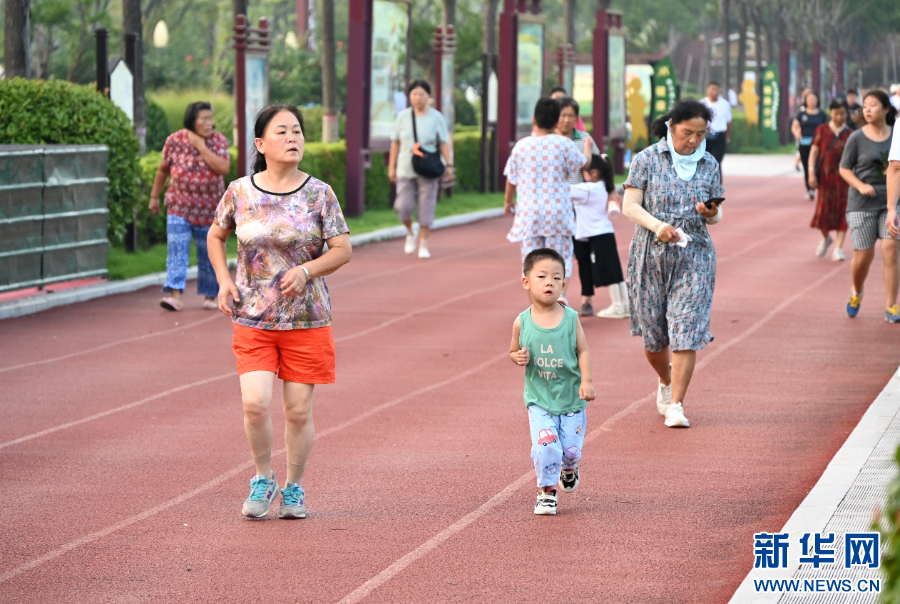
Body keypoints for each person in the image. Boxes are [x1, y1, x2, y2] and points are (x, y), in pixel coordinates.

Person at [207, 103, 352, 519]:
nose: (293, 138)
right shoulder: (240, 191)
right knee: (254, 404)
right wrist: (223, 280)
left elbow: (342, 249)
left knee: (298, 410)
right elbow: (217, 236)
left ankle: (294, 487)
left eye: (298, 132)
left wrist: (307, 271)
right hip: (253, 316)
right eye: (283, 132)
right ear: (261, 143)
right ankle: (262, 477)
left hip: (307, 319)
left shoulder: (319, 193)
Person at [622, 99, 724, 429]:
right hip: (650, 256)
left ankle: (677, 404)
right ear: (671, 127)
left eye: (700, 133)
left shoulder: (709, 163)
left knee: (686, 329)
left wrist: (712, 213)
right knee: (654, 339)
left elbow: (717, 214)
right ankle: (665, 381)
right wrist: (657, 226)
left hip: (694, 256)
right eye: (686, 133)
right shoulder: (646, 159)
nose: (693, 140)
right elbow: (629, 205)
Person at [509, 248, 595, 516]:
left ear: (564, 285)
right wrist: (518, 356)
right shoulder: (521, 322)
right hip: (539, 399)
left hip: (571, 398)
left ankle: (569, 468)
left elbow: (583, 350)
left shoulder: (570, 319)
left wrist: (587, 381)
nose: (549, 283)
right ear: (526, 282)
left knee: (569, 451)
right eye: (542, 276)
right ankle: (546, 492)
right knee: (546, 448)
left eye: (556, 278)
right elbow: (513, 350)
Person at [504, 97, 592, 300]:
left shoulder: (521, 146)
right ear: (556, 122)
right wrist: (587, 149)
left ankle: (536, 307)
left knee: (531, 261)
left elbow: (511, 178)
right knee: (561, 258)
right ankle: (558, 297)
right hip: (558, 213)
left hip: (529, 213)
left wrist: (508, 201)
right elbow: (583, 164)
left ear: (534, 120)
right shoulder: (564, 144)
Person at [149, 101, 231, 311]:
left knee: (208, 253)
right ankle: (174, 295)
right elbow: (162, 170)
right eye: (204, 118)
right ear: (192, 119)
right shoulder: (174, 140)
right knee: (177, 250)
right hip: (179, 206)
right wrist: (154, 197)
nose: (209, 123)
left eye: (210, 118)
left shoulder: (218, 141)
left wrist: (201, 146)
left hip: (209, 209)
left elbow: (223, 168)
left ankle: (211, 296)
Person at [839, 90, 900, 322]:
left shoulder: (897, 134)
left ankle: (891, 305)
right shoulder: (856, 138)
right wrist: (860, 185)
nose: (867, 109)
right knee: (863, 257)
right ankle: (857, 291)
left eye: (873, 105)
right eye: (865, 105)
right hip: (861, 203)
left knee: (891, 250)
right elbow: (844, 168)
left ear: (886, 109)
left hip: (891, 202)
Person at [388, 80, 453, 259]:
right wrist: (391, 167)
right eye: (414, 94)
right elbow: (395, 143)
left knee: (426, 206)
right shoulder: (402, 117)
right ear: (409, 96)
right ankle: (410, 231)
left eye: (421, 94)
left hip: (429, 169)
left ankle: (423, 244)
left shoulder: (436, 117)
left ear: (428, 96)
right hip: (405, 168)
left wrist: (449, 165)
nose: (418, 98)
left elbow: (443, 143)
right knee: (403, 206)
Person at [554, 96, 602, 316]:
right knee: (556, 254)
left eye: (570, 116)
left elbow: (599, 166)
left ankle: (587, 298)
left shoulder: (584, 139)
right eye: (562, 115)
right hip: (556, 206)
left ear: (576, 118)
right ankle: (556, 297)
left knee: (583, 254)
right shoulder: (548, 139)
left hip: (581, 206)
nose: (566, 120)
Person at [571, 154, 629, 319]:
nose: (582, 175)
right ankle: (624, 305)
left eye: (584, 171)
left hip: (596, 234)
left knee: (606, 270)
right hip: (605, 232)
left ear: (594, 172)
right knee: (615, 270)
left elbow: (562, 189)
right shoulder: (604, 186)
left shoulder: (588, 189)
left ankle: (617, 306)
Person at [808, 99, 852, 261]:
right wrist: (811, 173)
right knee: (822, 213)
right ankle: (826, 238)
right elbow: (813, 153)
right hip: (825, 179)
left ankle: (839, 248)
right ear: (830, 112)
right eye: (836, 113)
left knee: (843, 212)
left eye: (842, 113)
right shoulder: (822, 130)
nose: (839, 117)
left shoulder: (850, 134)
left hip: (844, 180)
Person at [792, 92, 828, 200]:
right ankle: (810, 190)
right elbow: (794, 126)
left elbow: (827, 127)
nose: (812, 101)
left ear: (817, 100)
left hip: (819, 144)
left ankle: (819, 186)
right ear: (805, 101)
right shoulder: (801, 114)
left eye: (814, 99)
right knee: (807, 167)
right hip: (805, 144)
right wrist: (797, 134)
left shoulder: (822, 114)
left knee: (818, 166)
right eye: (809, 99)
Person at [701, 82, 732, 176]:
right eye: (712, 89)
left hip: (719, 135)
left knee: (717, 160)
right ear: (707, 91)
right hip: (705, 135)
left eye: (716, 89)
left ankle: (716, 182)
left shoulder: (725, 104)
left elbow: (728, 122)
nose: (714, 92)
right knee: (704, 161)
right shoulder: (702, 103)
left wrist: (727, 137)